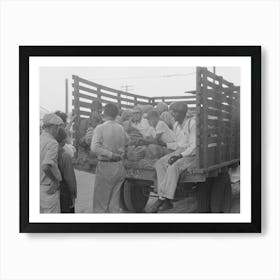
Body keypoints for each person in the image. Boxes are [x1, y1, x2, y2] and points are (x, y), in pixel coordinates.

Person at [149, 102, 196, 212]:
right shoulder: (175, 125)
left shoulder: (192, 124)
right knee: (160, 163)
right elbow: (178, 144)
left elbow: (193, 146)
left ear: (181, 113)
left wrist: (179, 156)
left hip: (192, 154)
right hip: (180, 150)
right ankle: (165, 199)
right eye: (172, 113)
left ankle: (163, 199)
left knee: (173, 167)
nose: (172, 115)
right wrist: (166, 145)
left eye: (174, 113)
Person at [90, 103, 127, 213]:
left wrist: (110, 154)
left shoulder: (100, 128)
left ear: (104, 113)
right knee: (114, 204)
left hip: (106, 166)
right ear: (116, 115)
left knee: (100, 205)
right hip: (119, 166)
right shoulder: (121, 128)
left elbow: (94, 147)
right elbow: (128, 140)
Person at [40, 113, 64, 213]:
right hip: (49, 188)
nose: (58, 131)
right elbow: (45, 166)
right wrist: (54, 180)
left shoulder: (38, 139)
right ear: (53, 127)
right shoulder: (52, 142)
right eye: (57, 127)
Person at [56, 128, 77, 213]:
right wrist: (73, 195)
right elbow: (70, 179)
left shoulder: (48, 151)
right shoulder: (65, 156)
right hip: (64, 193)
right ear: (64, 141)